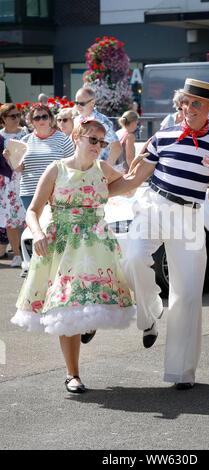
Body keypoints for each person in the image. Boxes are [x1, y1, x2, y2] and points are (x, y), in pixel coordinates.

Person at [107, 78, 209, 390]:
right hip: (153, 205)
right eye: (185, 102)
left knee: (187, 296)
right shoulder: (164, 136)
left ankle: (182, 372)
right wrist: (96, 192)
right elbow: (135, 179)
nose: (189, 108)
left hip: (189, 217)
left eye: (196, 103)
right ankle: (148, 315)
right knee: (132, 259)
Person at [11, 118, 135, 393]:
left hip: (96, 244)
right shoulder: (56, 169)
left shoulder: (102, 168)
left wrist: (144, 158)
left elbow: (127, 186)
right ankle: (72, 375)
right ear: (77, 137)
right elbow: (32, 210)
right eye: (93, 140)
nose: (98, 146)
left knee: (88, 303)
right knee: (67, 310)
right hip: (62, 244)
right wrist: (39, 233)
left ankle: (88, 325)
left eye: (102, 142)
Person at [18, 103, 74, 210]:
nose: (41, 120)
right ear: (32, 121)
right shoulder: (24, 141)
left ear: (50, 119)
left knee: (54, 225)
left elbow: (72, 166)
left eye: (44, 116)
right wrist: (11, 159)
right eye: (37, 118)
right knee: (35, 226)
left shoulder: (63, 139)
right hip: (30, 193)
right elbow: (19, 169)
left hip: (56, 192)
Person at [0, 104, 28, 267]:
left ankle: (26, 253)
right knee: (11, 220)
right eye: (13, 116)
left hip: (25, 179)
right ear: (3, 119)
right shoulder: (0, 136)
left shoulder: (25, 134)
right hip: (7, 183)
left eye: (18, 115)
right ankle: (17, 254)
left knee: (26, 218)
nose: (17, 119)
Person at [74, 87, 122, 165]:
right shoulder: (77, 119)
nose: (77, 107)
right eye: (76, 103)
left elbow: (117, 147)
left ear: (92, 103)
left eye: (82, 104)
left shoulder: (101, 121)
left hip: (97, 170)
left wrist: (105, 170)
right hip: (82, 168)